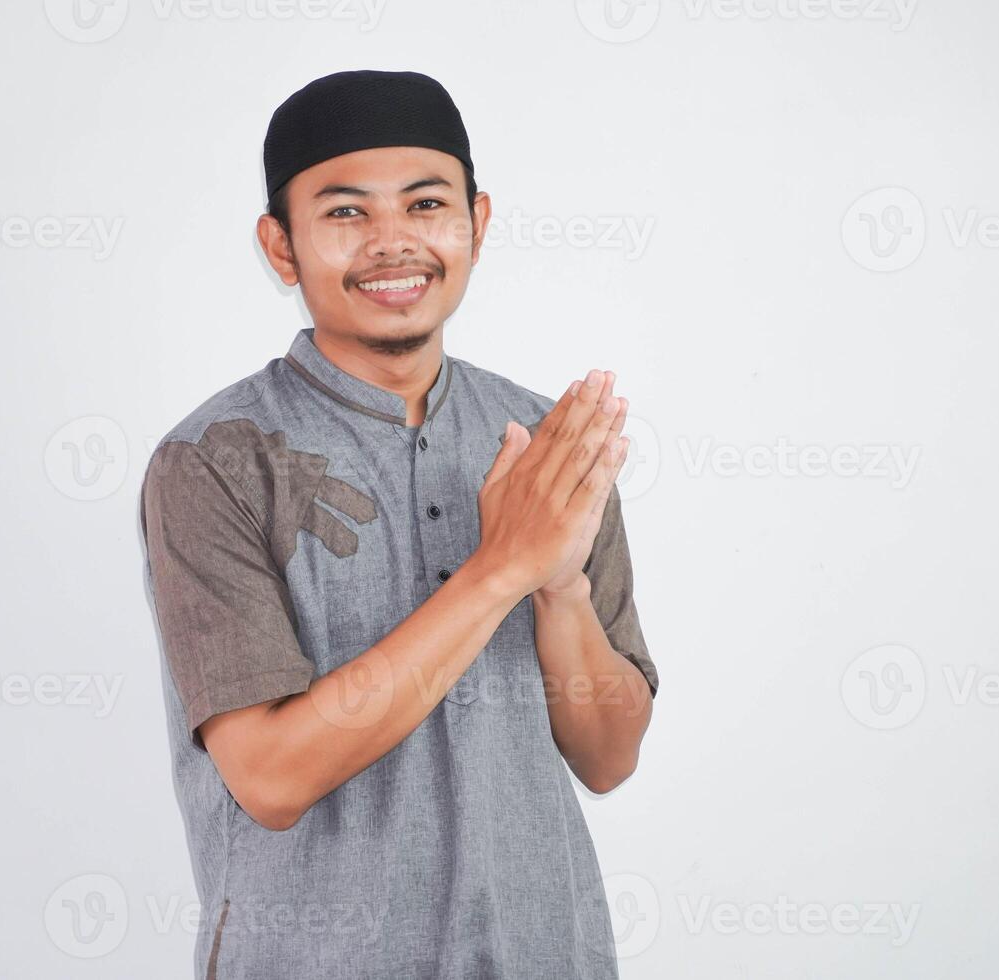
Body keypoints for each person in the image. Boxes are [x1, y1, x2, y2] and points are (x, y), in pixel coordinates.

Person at [138, 68, 658, 980]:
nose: (393, 243)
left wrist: (560, 586)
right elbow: (269, 776)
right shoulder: (215, 463)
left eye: (426, 204)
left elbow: (609, 755)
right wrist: (500, 570)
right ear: (280, 245)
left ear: (477, 224)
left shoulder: (546, 448)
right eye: (344, 213)